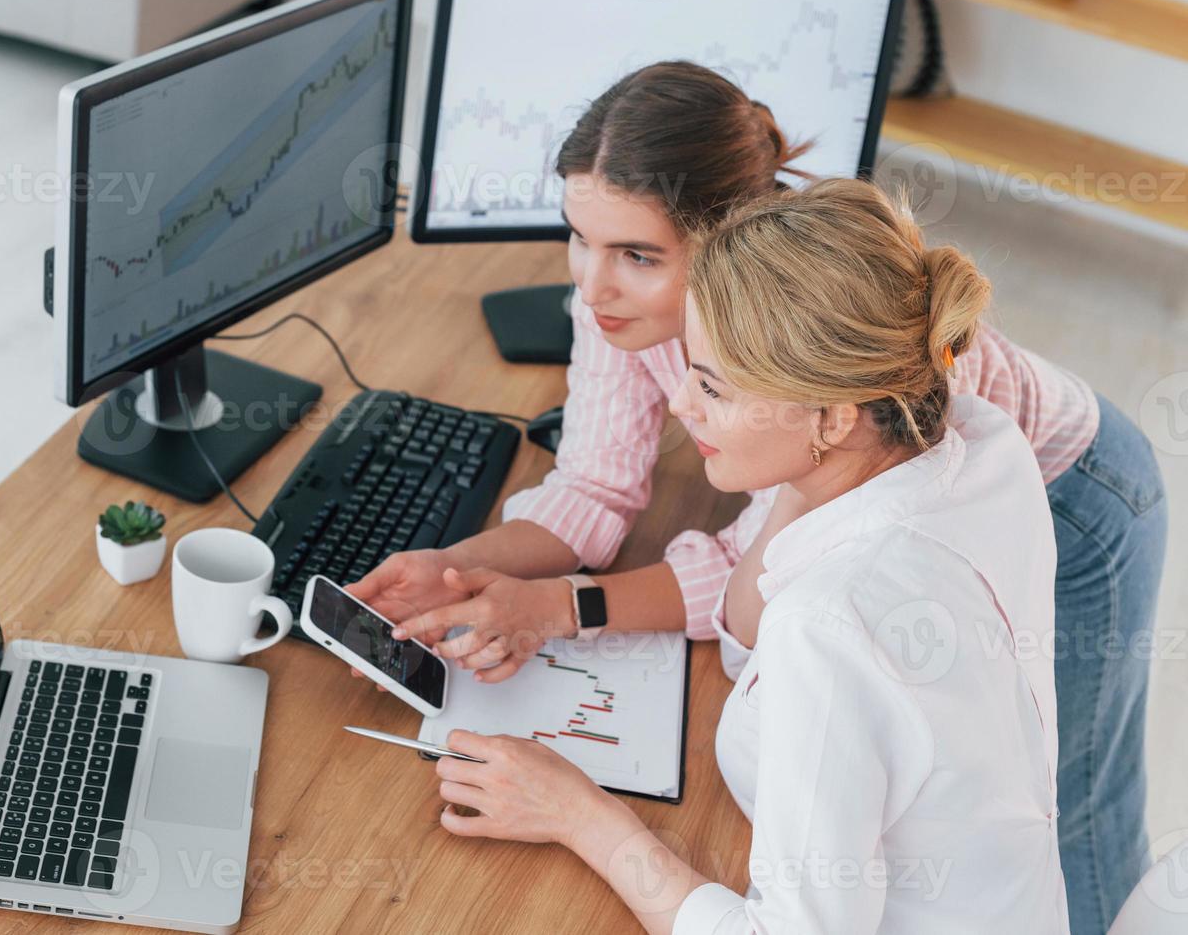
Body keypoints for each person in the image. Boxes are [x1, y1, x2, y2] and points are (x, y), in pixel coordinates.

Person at [348, 62, 1166, 933]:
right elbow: (624, 504)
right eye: (579, 239)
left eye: (637, 255)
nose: (591, 287)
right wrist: (460, 568)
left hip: (1081, 493)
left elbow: (775, 602)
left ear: (727, 244)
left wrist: (575, 791)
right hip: (884, 521)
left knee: (1072, 803)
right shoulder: (873, 447)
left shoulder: (882, 518)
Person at [427, 178, 1070, 932]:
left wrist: (579, 814)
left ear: (833, 417)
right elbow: (749, 630)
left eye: (713, 388)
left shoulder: (828, 626)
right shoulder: (980, 439)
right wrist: (803, 471)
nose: (679, 406)